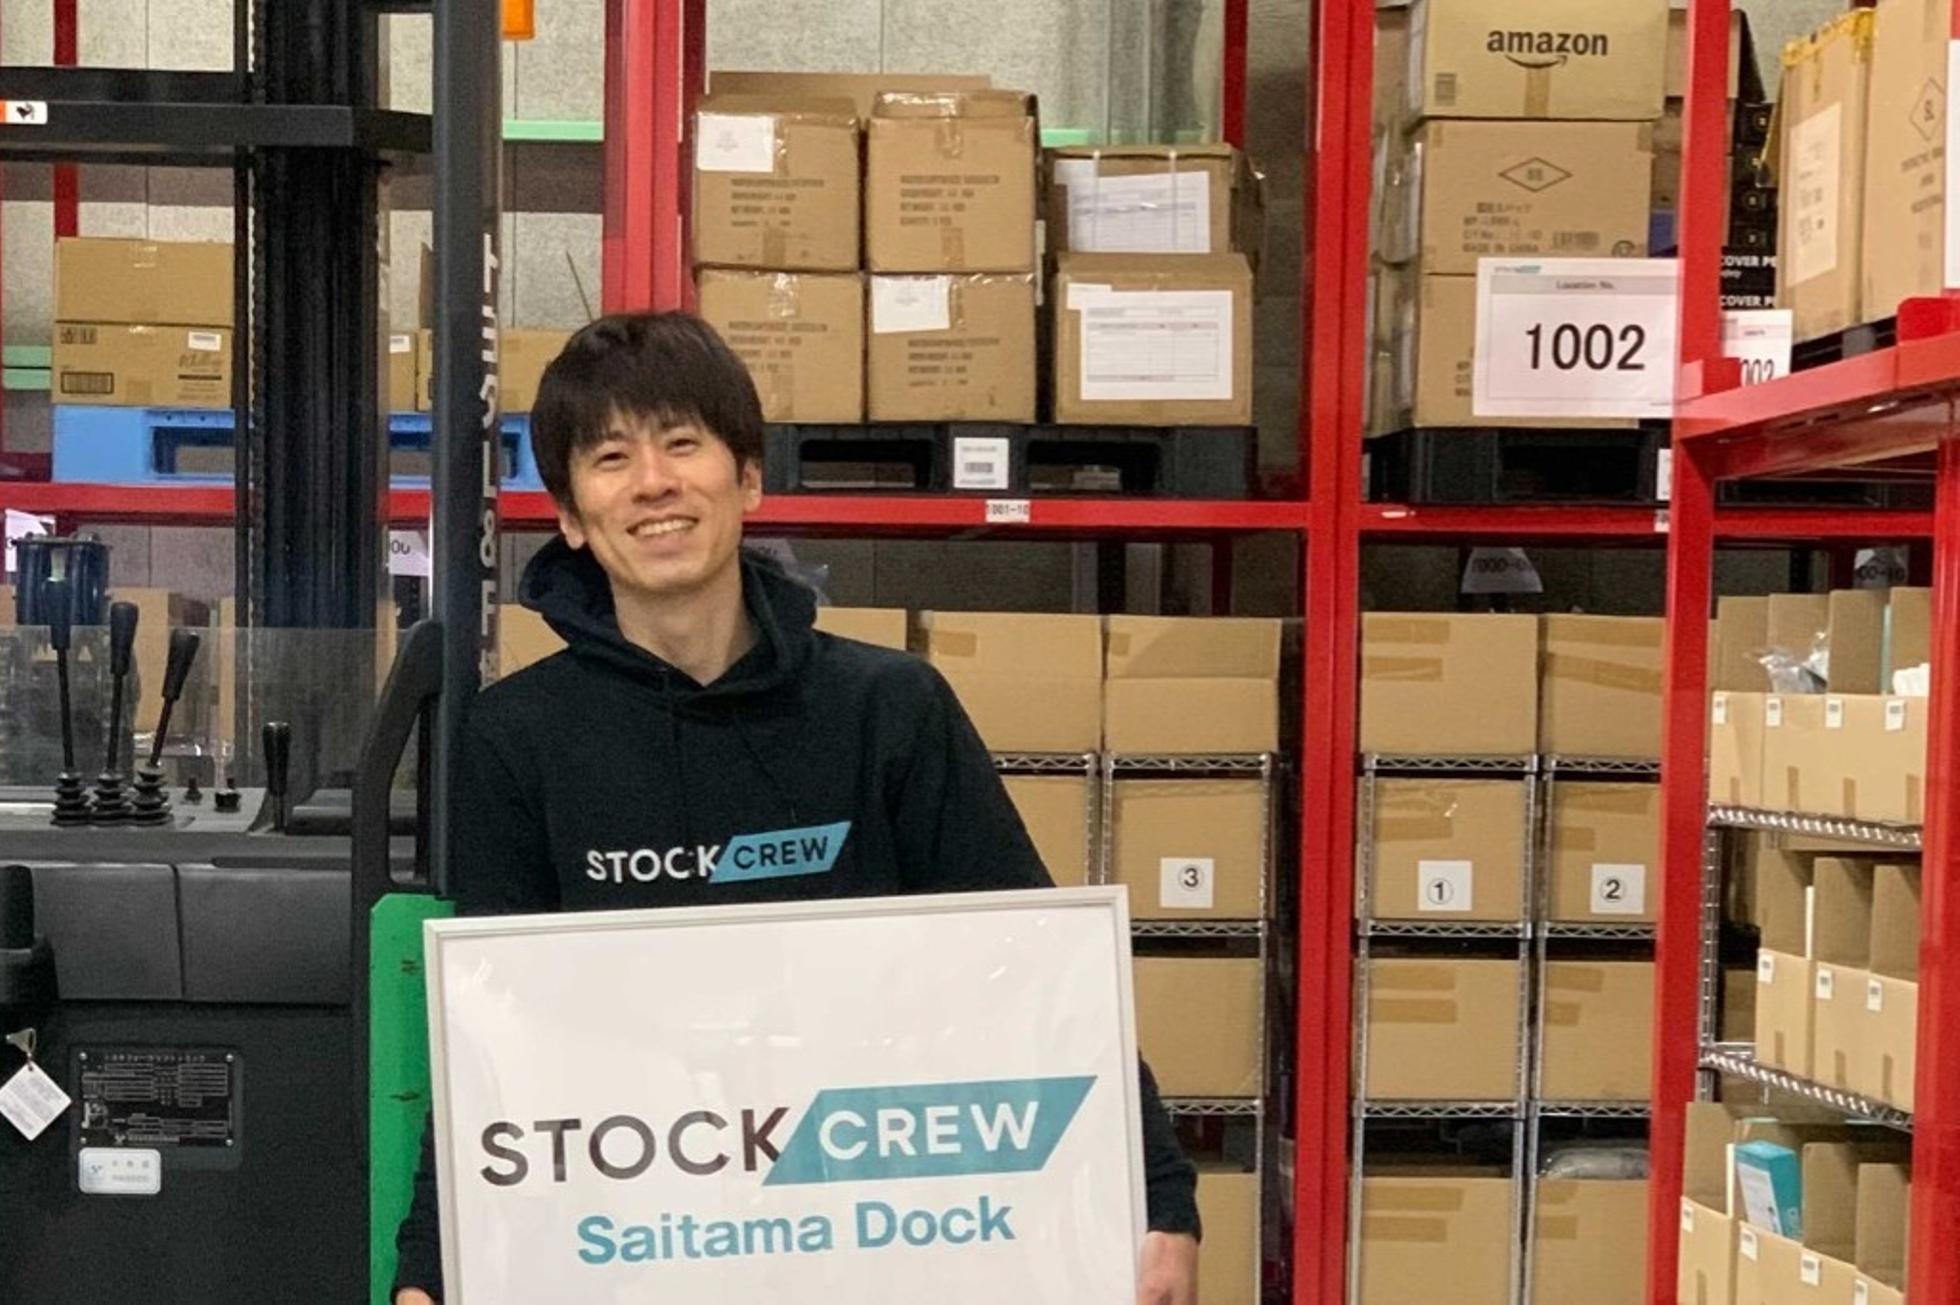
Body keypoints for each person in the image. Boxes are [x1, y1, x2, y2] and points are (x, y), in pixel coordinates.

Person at [392, 313, 1203, 1304]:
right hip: (633, 1239)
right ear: (569, 513)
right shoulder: (519, 738)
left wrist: (1157, 1194)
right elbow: (491, 1036)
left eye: (682, 443)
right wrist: (432, 1263)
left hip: (871, 1229)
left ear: (747, 478)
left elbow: (1031, 964)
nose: (653, 482)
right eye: (610, 458)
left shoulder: (888, 709)